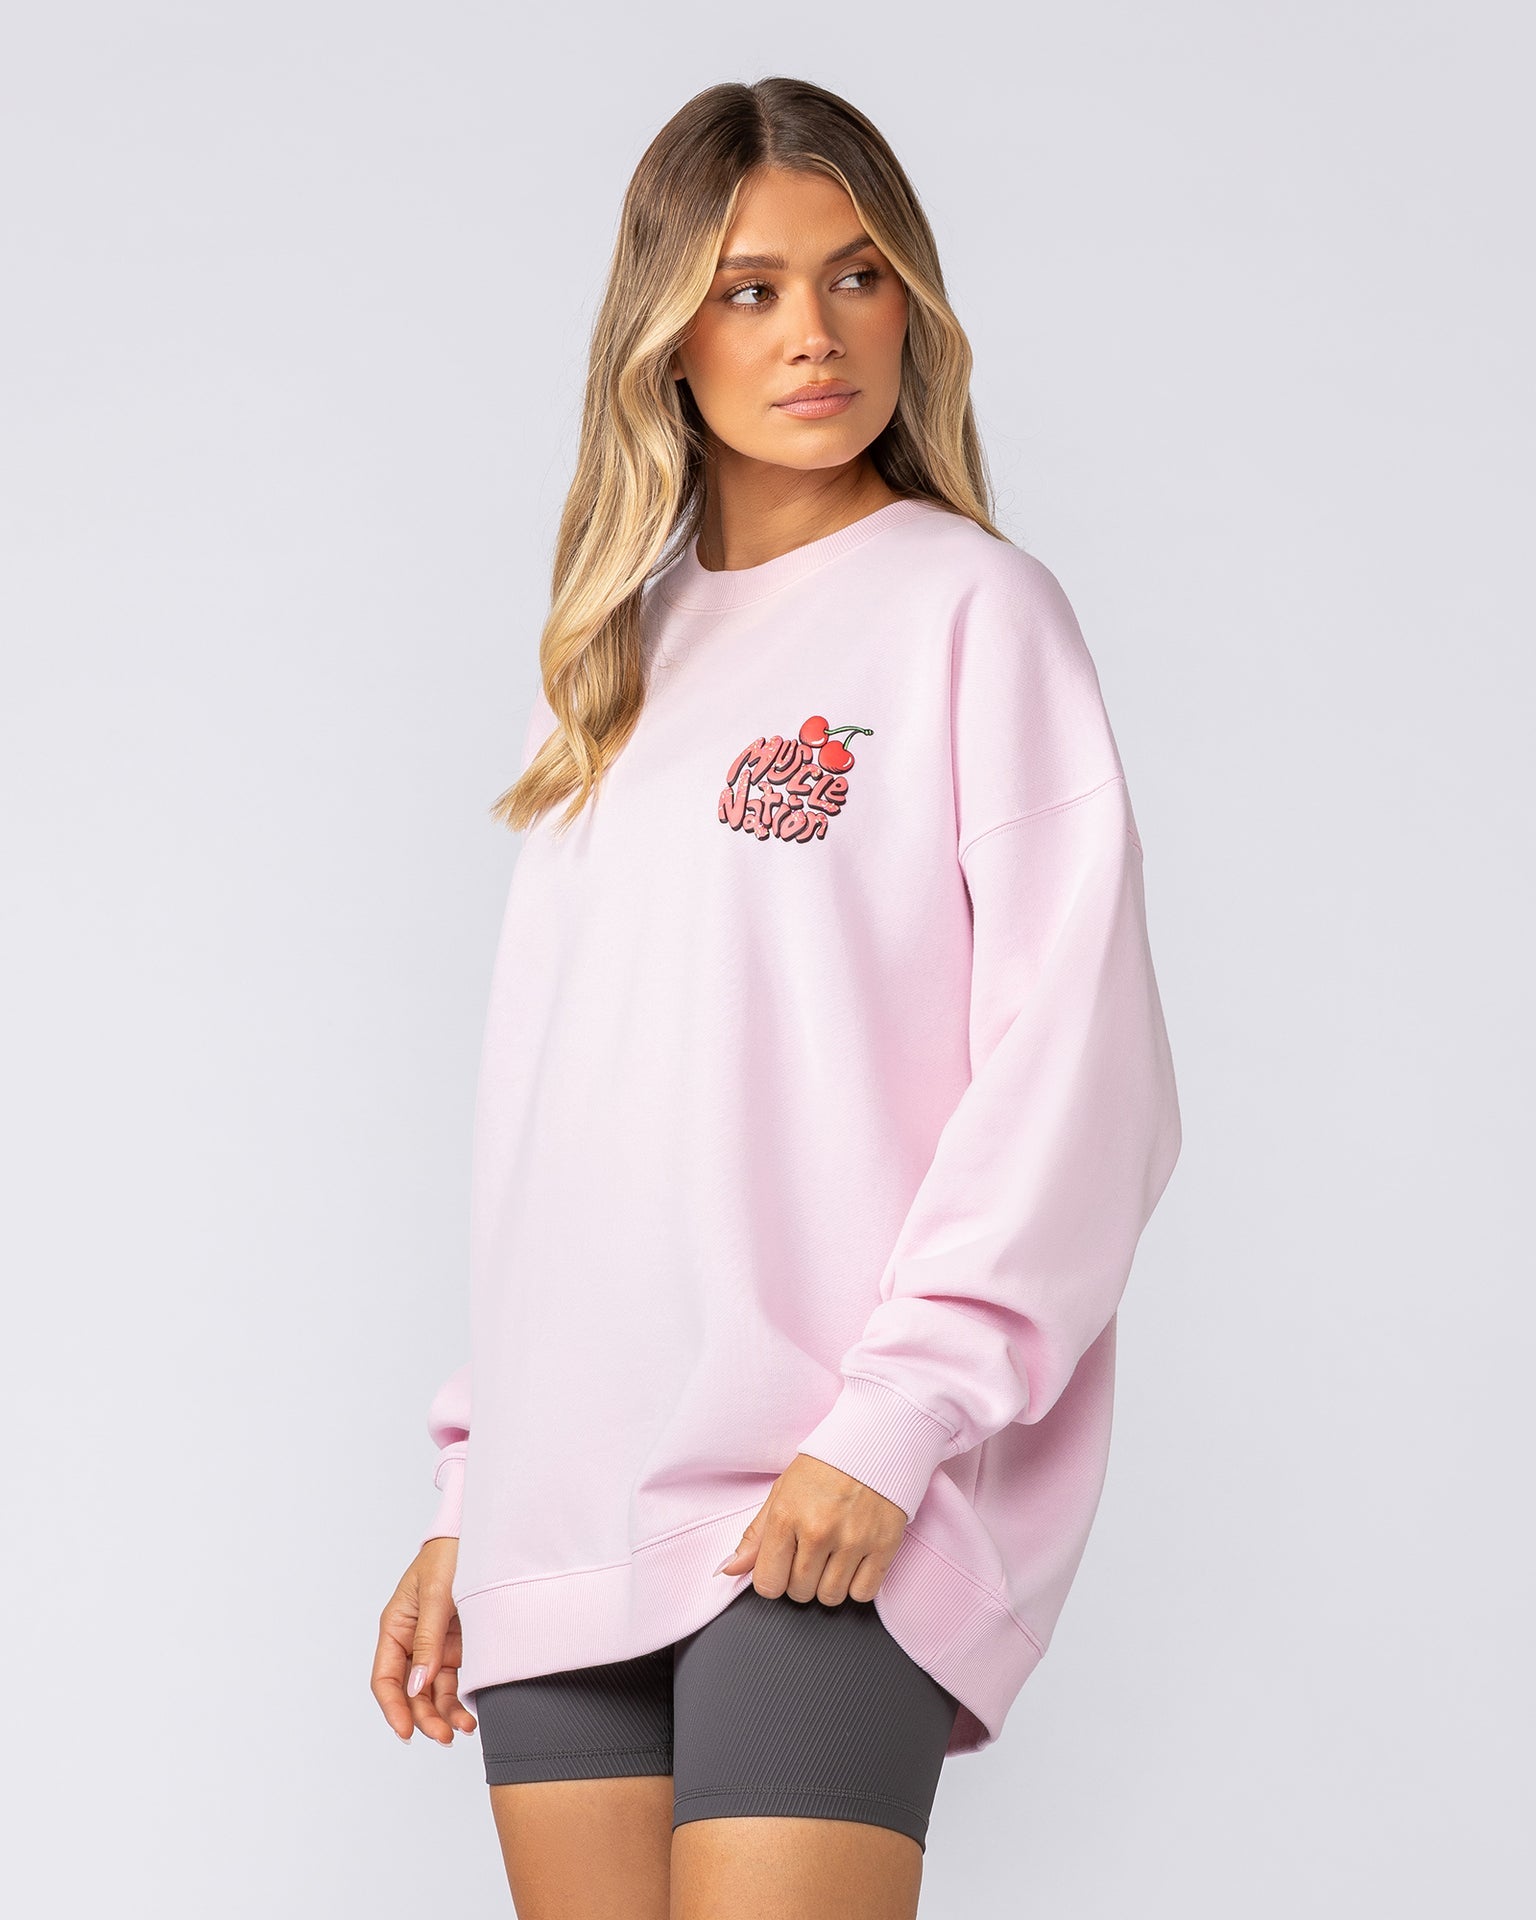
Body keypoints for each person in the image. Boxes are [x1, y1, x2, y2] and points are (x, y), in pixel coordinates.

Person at [370, 75, 1182, 1920]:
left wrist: (895, 1423)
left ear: (914, 305)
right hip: (566, 1508)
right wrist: (470, 1496)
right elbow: (557, 1131)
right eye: (747, 289)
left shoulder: (973, 612)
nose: (813, 332)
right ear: (666, 332)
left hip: (819, 1492)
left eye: (857, 275)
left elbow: (1083, 1076)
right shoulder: (609, 670)